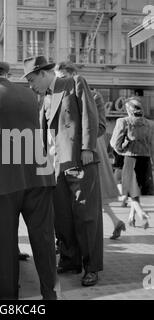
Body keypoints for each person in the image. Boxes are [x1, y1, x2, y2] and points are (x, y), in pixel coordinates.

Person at [0, 54, 57, 300]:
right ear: (3, 73)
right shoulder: (30, 94)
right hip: (40, 175)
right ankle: (50, 294)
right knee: (44, 240)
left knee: (6, 246)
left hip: (5, 180)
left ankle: (9, 300)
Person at [23, 55, 103, 287]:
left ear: (42, 73)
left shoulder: (74, 82)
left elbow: (90, 114)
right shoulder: (45, 98)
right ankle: (70, 260)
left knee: (86, 216)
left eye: (31, 80)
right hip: (55, 166)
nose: (31, 86)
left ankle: (91, 267)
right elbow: (43, 134)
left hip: (79, 160)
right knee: (63, 217)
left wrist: (87, 147)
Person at [54, 61, 126, 240]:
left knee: (92, 196)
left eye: (63, 78)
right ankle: (113, 222)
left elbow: (100, 126)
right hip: (65, 155)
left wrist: (83, 137)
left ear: (73, 75)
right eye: (57, 79)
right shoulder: (55, 98)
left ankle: (90, 237)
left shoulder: (93, 96)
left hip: (90, 150)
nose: (60, 83)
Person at [110, 96, 154, 229]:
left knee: (130, 193)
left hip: (130, 160)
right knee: (136, 192)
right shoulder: (150, 124)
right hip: (146, 161)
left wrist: (123, 145)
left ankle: (142, 214)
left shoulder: (123, 121)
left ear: (128, 110)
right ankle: (131, 217)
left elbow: (115, 144)